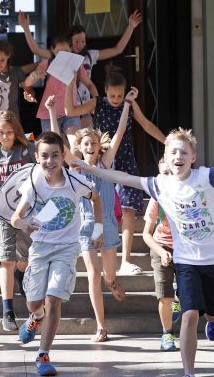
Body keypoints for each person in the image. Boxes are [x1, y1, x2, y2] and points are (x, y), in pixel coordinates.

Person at [70, 128, 214, 377]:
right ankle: (189, 372)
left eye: (183, 152)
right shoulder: (160, 185)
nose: (178, 156)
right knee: (188, 314)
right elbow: (123, 178)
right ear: (166, 159)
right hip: (186, 259)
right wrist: (90, 169)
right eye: (172, 152)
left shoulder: (207, 177)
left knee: (211, 310)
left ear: (193, 157)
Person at [49, 86, 135, 342]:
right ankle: (101, 326)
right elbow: (56, 139)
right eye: (86, 143)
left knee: (108, 275)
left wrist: (127, 106)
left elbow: (119, 133)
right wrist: (53, 111)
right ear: (80, 146)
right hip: (85, 226)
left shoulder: (105, 164)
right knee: (93, 275)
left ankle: (113, 283)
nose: (90, 146)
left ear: (99, 147)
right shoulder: (74, 166)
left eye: (94, 143)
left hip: (107, 224)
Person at [11, 132, 100, 376]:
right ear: (37, 157)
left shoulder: (74, 181)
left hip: (68, 247)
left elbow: (97, 198)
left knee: (53, 299)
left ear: (63, 156)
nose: (50, 161)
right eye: (44, 156)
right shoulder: (34, 182)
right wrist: (24, 224)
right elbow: (15, 217)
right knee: (34, 302)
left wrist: (98, 229)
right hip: (39, 247)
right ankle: (35, 317)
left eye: (55, 156)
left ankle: (43, 355)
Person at [65, 66, 166, 276]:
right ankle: (98, 251)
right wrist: (68, 84)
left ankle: (126, 261)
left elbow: (146, 125)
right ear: (104, 91)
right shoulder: (97, 103)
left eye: (120, 95)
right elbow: (70, 111)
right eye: (112, 95)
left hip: (125, 157)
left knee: (129, 208)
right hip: (102, 157)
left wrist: (168, 142)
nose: (117, 99)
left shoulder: (129, 104)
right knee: (104, 205)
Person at [18, 10, 142, 129]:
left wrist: (131, 27)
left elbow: (117, 50)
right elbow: (36, 50)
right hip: (68, 105)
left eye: (83, 41)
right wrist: (26, 28)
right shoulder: (57, 56)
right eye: (76, 41)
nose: (80, 45)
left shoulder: (89, 55)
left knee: (86, 137)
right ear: (70, 43)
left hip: (86, 103)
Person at [0, 110, 35, 331]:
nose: (5, 136)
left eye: (9, 132)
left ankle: (22, 278)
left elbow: (39, 169)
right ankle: (8, 310)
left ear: (16, 131)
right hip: (3, 210)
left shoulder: (26, 148)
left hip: (25, 209)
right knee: (6, 259)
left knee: (23, 259)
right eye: (1, 132)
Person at [21, 36, 93, 145]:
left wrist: (97, 100)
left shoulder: (77, 66)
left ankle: (74, 162)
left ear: (71, 50)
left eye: (66, 51)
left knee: (76, 144)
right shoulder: (46, 64)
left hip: (70, 111)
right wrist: (34, 75)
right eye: (59, 51)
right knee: (52, 145)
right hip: (48, 113)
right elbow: (27, 83)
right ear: (52, 50)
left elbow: (90, 84)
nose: (63, 54)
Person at [142, 157, 180, 351]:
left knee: (184, 294)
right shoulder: (157, 198)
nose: (167, 177)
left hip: (186, 250)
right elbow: (146, 234)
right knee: (165, 296)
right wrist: (162, 252)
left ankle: (178, 298)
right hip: (161, 246)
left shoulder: (190, 195)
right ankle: (167, 334)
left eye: (170, 172)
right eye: (163, 173)